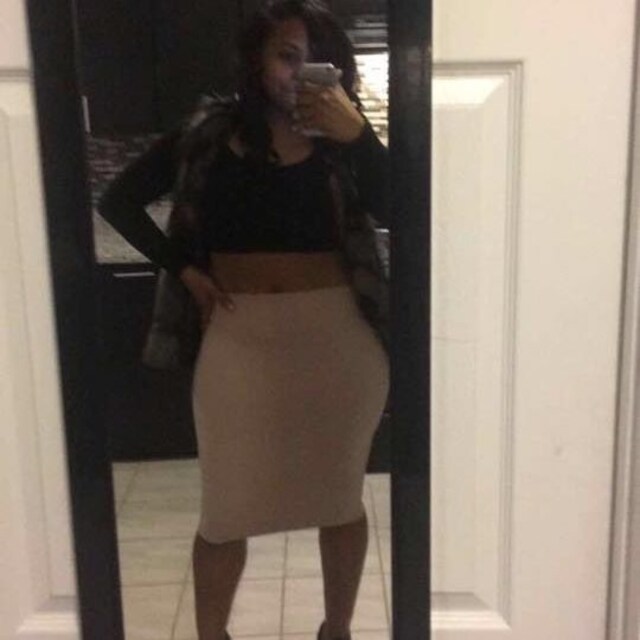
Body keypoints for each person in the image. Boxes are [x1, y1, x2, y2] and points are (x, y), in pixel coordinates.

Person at [97, 1, 390, 639]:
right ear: (257, 60)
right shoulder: (208, 133)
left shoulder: (347, 139)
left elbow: (411, 210)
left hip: (339, 345)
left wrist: (359, 138)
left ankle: (336, 632)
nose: (302, 72)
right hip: (240, 342)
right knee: (226, 512)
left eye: (321, 59)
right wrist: (183, 269)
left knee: (340, 499)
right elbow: (118, 200)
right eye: (288, 55)